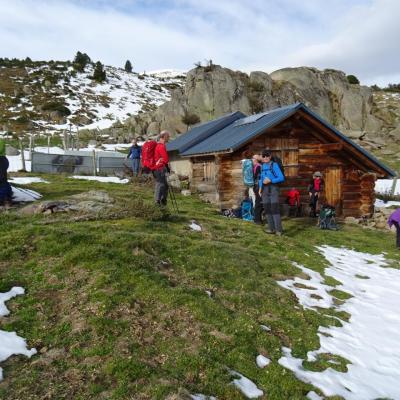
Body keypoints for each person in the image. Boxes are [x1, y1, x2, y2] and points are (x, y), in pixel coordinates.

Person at [258, 150, 285, 235]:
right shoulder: (262, 166)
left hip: (273, 188)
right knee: (267, 209)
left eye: (267, 156)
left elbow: (281, 178)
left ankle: (279, 230)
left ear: (270, 156)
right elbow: (261, 178)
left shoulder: (274, 165)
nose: (265, 158)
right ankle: (271, 228)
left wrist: (271, 180)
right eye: (263, 156)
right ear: (262, 157)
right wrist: (260, 188)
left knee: (274, 209)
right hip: (264, 190)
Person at [153, 131, 170, 206]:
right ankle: (158, 201)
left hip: (156, 168)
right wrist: (167, 165)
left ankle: (162, 200)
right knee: (160, 184)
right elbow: (166, 159)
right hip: (160, 168)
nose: (168, 138)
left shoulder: (157, 146)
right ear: (164, 137)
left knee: (164, 185)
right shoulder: (161, 146)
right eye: (168, 136)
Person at [0, 139, 12, 205]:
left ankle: (1, 199)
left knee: (1, 180)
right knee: (3, 180)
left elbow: (0, 149)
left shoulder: (1, 141)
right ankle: (8, 196)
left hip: (1, 160)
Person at [252, 154, 263, 224]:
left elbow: (256, 177)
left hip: (257, 186)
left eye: (252, 158)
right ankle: (257, 219)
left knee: (258, 202)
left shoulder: (257, 167)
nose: (251, 160)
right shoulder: (258, 166)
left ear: (255, 160)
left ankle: (257, 219)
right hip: (258, 186)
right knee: (258, 202)